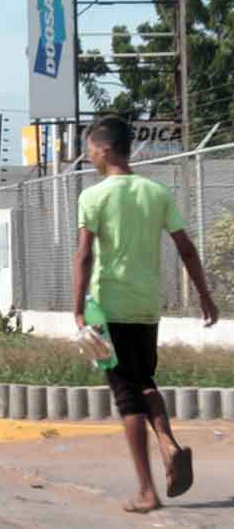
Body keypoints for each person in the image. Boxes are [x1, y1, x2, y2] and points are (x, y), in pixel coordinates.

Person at [73, 116, 219, 514]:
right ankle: (168, 443)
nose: (88, 156)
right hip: (145, 308)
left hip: (106, 308)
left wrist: (77, 310)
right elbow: (186, 248)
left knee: (126, 397)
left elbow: (84, 256)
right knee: (144, 381)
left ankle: (146, 490)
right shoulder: (156, 193)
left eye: (90, 148)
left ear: (104, 150)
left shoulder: (93, 197)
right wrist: (204, 295)